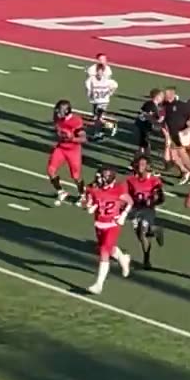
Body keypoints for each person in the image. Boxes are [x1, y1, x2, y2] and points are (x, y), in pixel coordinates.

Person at [84, 167, 133, 295]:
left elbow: (130, 202)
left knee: (104, 250)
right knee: (108, 249)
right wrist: (91, 205)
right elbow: (92, 201)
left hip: (112, 224)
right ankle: (123, 258)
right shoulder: (94, 188)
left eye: (101, 177)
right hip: (99, 223)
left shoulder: (118, 189)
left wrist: (123, 216)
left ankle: (99, 284)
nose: (98, 179)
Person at [126, 156, 165, 270]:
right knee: (140, 235)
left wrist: (153, 200)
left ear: (148, 166)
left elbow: (161, 198)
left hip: (148, 210)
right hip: (135, 210)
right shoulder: (131, 180)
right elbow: (126, 194)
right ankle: (155, 230)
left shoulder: (154, 181)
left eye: (143, 164)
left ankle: (146, 260)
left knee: (142, 233)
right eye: (138, 164)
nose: (140, 167)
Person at [48, 99, 88, 206]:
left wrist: (72, 138)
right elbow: (56, 124)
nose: (57, 113)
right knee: (51, 170)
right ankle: (61, 191)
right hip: (61, 147)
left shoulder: (76, 121)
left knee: (75, 176)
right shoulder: (57, 118)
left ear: (67, 111)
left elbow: (83, 139)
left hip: (73, 150)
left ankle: (82, 194)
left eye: (59, 111)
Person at [84, 64, 119, 141]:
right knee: (96, 117)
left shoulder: (106, 80)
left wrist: (110, 92)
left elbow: (115, 85)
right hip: (95, 101)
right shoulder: (91, 79)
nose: (100, 73)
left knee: (98, 118)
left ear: (103, 72)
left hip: (103, 102)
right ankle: (109, 126)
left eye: (101, 72)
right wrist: (90, 94)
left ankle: (98, 134)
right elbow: (88, 87)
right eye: (98, 72)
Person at [134, 88, 163, 157]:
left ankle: (139, 161)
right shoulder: (151, 106)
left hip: (142, 127)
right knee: (144, 147)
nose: (162, 98)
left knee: (143, 147)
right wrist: (159, 120)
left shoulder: (149, 104)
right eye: (161, 96)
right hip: (143, 128)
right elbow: (149, 117)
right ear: (157, 97)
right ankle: (137, 162)